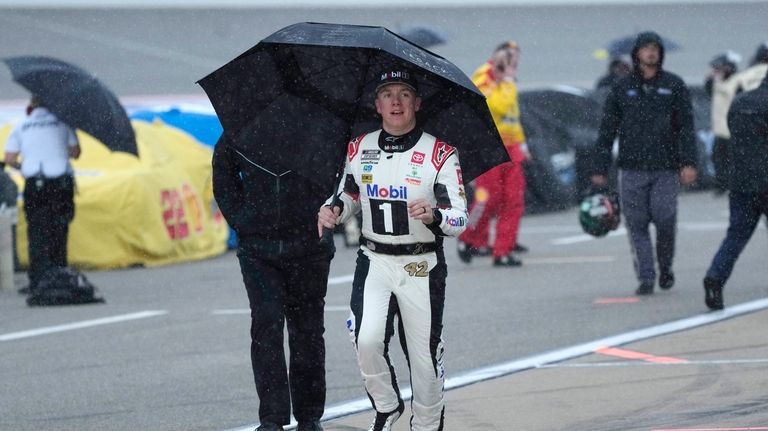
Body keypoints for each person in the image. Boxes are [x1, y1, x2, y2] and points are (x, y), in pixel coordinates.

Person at [317, 69, 467, 431]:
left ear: (417, 102)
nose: (396, 102)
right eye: (387, 94)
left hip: (422, 264)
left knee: (423, 360)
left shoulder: (440, 154)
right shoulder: (359, 147)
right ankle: (387, 406)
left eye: (404, 94)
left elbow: (460, 219)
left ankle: (427, 425)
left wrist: (435, 215)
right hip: (375, 259)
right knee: (366, 339)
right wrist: (333, 209)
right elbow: (349, 194)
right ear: (377, 104)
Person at [212, 133, 334, 429]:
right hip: (259, 249)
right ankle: (272, 419)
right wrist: (243, 221)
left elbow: (341, 174)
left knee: (307, 331)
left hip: (310, 247)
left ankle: (309, 417)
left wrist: (325, 213)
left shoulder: (318, 125)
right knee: (266, 325)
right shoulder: (241, 126)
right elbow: (222, 175)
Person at [591, 31, 698, 296]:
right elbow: (607, 130)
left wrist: (689, 162)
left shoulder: (674, 85)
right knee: (636, 224)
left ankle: (665, 266)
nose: (651, 53)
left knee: (665, 219)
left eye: (655, 49)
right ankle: (646, 277)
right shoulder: (622, 87)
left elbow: (686, 127)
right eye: (646, 48)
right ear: (637, 53)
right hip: (632, 168)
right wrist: (599, 167)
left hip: (665, 167)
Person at [456, 41, 531, 267]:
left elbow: (512, 117)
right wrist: (507, 81)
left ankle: (503, 250)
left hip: (511, 148)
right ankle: (469, 237)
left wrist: (522, 144)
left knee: (513, 200)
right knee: (488, 198)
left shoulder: (507, 80)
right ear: (496, 56)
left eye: (515, 57)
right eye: (508, 56)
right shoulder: (484, 76)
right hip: (488, 148)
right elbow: (497, 105)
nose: (512, 61)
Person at [702, 71, 768, 311]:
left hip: (741, 181)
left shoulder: (741, 101)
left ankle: (715, 276)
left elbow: (731, 133)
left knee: (736, 236)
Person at [3, 95, 80, 289]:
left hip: (34, 182)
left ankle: (37, 279)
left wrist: (25, 166)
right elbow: (76, 152)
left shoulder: (21, 126)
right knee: (59, 228)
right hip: (60, 182)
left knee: (36, 231)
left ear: (31, 106)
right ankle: (59, 274)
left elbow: (9, 158)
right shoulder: (63, 124)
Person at [709, 43, 768, 194]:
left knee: (730, 160)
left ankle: (728, 186)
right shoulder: (730, 80)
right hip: (737, 126)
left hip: (734, 126)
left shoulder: (741, 78)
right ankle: (724, 185)